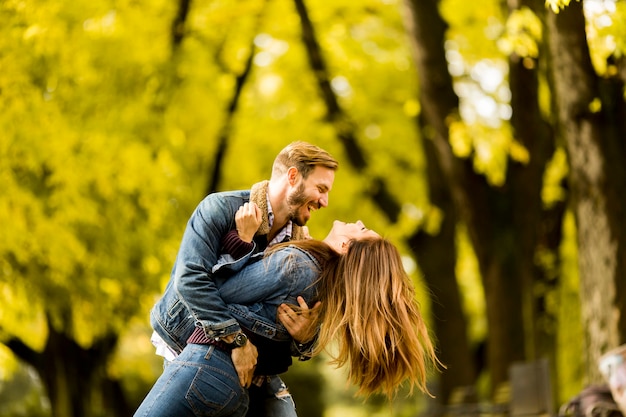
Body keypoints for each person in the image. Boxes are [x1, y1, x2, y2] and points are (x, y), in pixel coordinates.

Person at [134, 220, 440, 417]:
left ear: (345, 246)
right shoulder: (325, 291)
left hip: (210, 366)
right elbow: (277, 332)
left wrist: (219, 339)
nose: (358, 221)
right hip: (246, 387)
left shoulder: (299, 266)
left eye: (362, 229)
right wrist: (303, 341)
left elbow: (211, 291)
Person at [148, 141, 338, 416]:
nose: (324, 202)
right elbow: (190, 280)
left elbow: (280, 318)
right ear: (293, 176)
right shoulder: (220, 208)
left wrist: (306, 337)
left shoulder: (300, 249)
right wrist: (237, 340)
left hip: (254, 365)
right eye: (321, 189)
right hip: (189, 341)